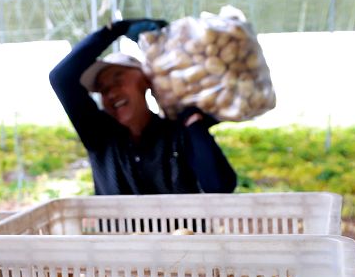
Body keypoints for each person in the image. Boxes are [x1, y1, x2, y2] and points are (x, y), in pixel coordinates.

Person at [49, 18, 237, 195]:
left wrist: (195, 124)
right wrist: (115, 29)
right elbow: (61, 78)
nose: (112, 93)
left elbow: (220, 186)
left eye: (118, 79)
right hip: (118, 231)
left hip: (182, 231)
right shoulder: (100, 136)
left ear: (145, 80)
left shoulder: (176, 132)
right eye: (103, 89)